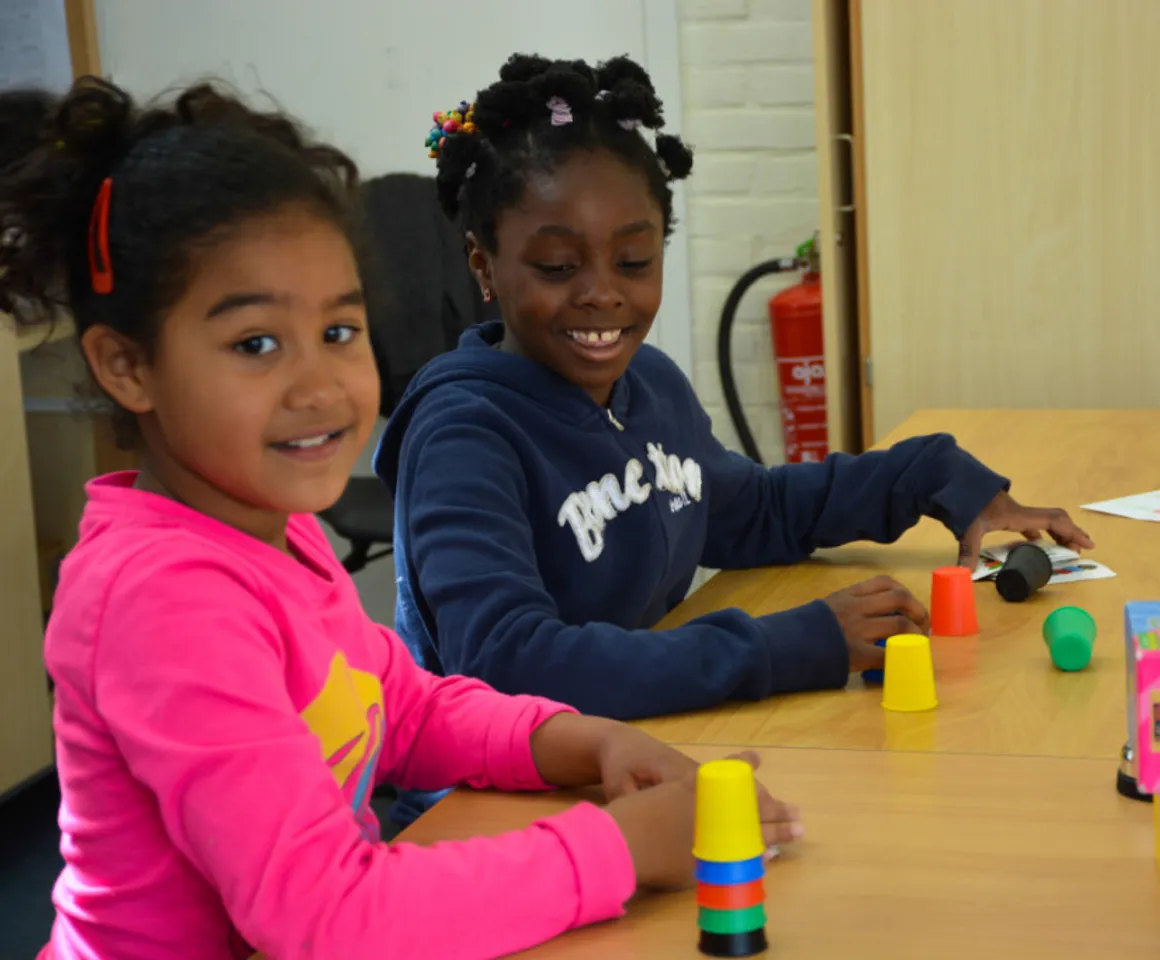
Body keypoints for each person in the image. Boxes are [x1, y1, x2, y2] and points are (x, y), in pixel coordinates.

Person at [0, 77, 801, 960]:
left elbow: (401, 711)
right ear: (126, 366)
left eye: (340, 332)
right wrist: (618, 849)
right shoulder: (161, 599)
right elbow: (325, 917)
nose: (319, 387)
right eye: (256, 344)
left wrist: (585, 741)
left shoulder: (272, 527)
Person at [375, 53, 1094, 723]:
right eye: (558, 266)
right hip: (478, 801)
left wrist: (939, 477)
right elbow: (508, 665)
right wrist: (785, 646)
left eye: (633, 259)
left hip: (624, 745)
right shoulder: (463, 436)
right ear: (483, 266)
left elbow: (756, 512)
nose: (601, 294)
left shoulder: (646, 384)